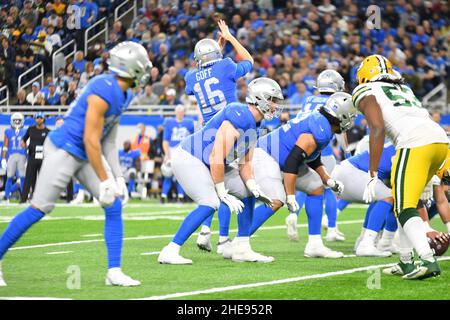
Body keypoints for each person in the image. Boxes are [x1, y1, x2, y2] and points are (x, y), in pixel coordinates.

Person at [0, 41, 152, 287]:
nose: (146, 69)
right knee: (40, 208)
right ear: (131, 67)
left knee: (113, 206)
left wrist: (118, 178)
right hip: (65, 148)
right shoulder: (103, 88)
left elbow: (109, 141)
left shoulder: (125, 93)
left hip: (84, 151)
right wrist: (105, 179)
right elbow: (90, 140)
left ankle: (114, 271)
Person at [157, 77, 283, 265]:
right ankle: (171, 249)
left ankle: (242, 248)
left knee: (247, 193)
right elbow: (216, 156)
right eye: (273, 100)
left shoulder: (256, 125)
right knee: (210, 202)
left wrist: (253, 186)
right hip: (191, 158)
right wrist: (222, 191)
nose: (275, 106)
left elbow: (245, 163)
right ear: (260, 98)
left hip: (211, 162)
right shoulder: (239, 113)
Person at [353, 54, 449, 280]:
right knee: (407, 202)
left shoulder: (366, 91)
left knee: (404, 208)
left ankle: (427, 260)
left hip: (414, 143)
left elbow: (376, 127)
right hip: (439, 140)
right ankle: (406, 261)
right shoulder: (403, 89)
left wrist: (372, 172)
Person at [245, 92, 355, 259]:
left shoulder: (322, 123)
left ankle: (315, 245)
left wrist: (327, 179)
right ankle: (240, 241)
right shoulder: (321, 128)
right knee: (277, 200)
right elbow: (292, 162)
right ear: (342, 115)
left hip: (281, 156)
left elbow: (311, 156)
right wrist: (291, 196)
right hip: (266, 154)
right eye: (351, 116)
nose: (352, 120)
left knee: (316, 188)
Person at [184, 20, 253, 252]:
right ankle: (223, 239)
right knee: (228, 185)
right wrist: (230, 38)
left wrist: (217, 51)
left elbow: (206, 73)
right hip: (229, 127)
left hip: (207, 131)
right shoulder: (225, 66)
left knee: (213, 184)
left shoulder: (191, 77)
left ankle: (205, 231)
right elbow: (249, 61)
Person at [286, 70, 345, 243]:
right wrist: (346, 150)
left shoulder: (309, 99)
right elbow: (340, 131)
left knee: (307, 187)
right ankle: (332, 228)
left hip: (304, 147)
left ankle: (293, 216)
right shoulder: (334, 102)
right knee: (328, 190)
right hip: (322, 152)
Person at [332, 141, 398, 256]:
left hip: (344, 171)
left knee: (384, 196)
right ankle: (367, 243)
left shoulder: (395, 144)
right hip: (351, 173)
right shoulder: (405, 148)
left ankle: (364, 240)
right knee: (388, 196)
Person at [161, 105, 195, 203]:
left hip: (183, 151)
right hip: (172, 150)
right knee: (168, 173)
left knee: (181, 175)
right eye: (178, 111)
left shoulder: (189, 122)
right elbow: (165, 140)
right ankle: (163, 196)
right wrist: (167, 154)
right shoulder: (169, 122)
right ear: (175, 112)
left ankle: (180, 196)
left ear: (184, 112)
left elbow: (194, 137)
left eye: (181, 111)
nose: (180, 113)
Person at [20, 112, 50, 203]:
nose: (39, 119)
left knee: (43, 179)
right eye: (37, 118)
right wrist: (25, 146)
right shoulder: (31, 129)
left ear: (43, 119)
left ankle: (43, 199)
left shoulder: (48, 131)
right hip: (32, 156)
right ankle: (23, 199)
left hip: (43, 157)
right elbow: (23, 140)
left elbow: (51, 144)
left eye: (40, 118)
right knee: (28, 178)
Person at [1, 113, 26, 203]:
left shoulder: (25, 131)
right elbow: (5, 146)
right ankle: (6, 197)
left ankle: (24, 198)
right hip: (11, 156)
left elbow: (28, 146)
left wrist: (28, 157)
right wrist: (3, 158)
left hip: (22, 155)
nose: (16, 122)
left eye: (18, 120)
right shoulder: (8, 131)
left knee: (22, 177)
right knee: (9, 177)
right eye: (15, 120)